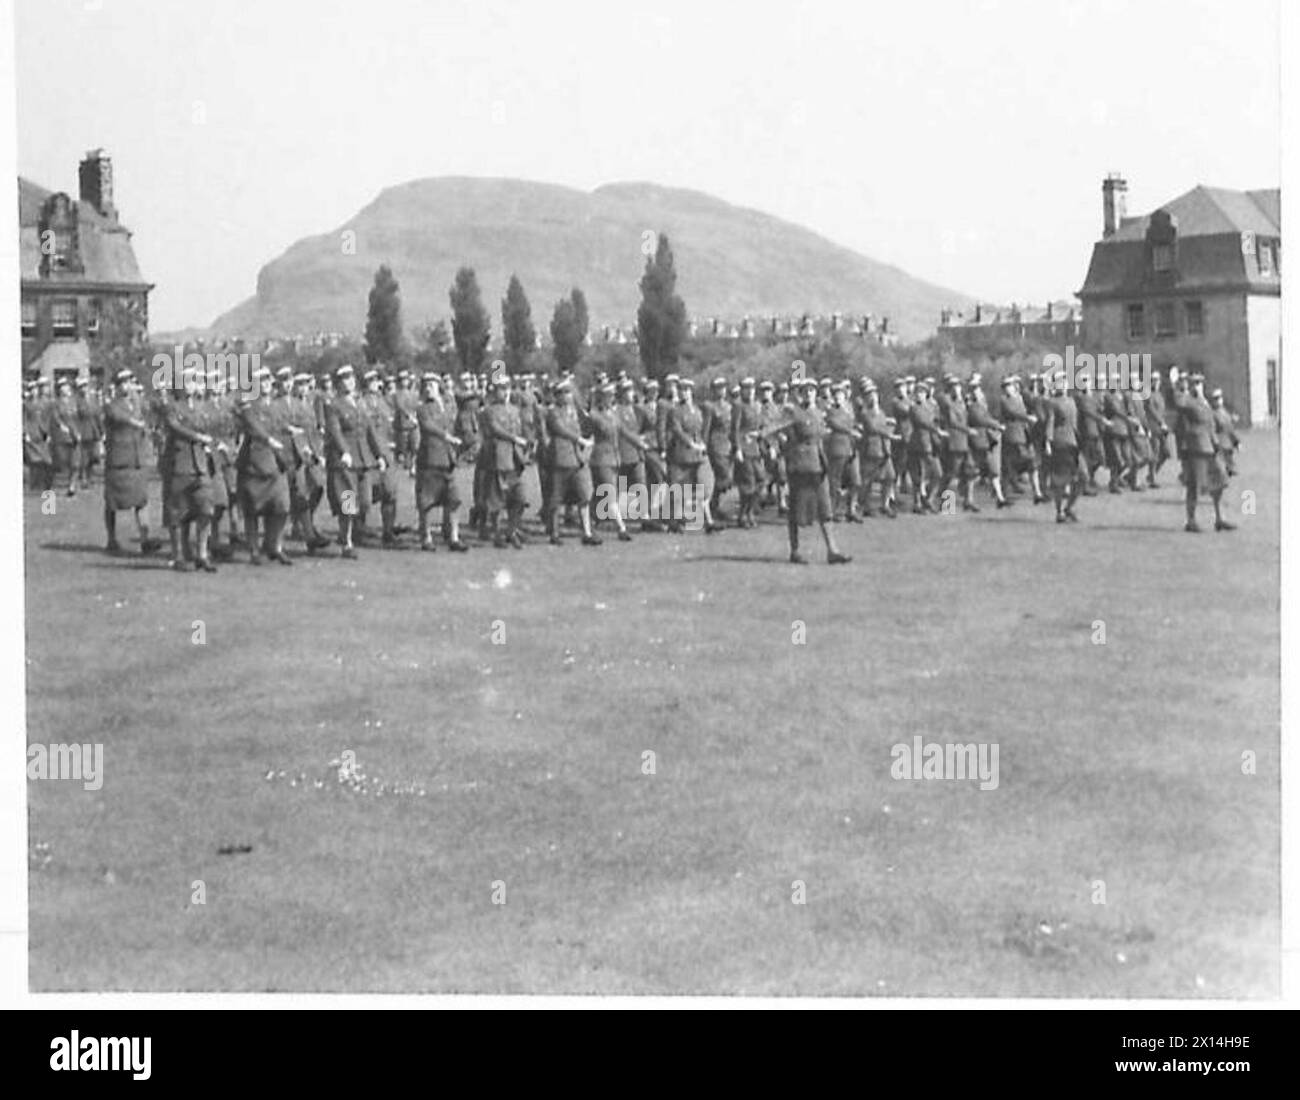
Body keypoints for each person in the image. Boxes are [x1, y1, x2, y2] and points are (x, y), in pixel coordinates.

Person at [761, 377, 851, 565]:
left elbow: (821, 434)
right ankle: (795, 551)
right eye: (805, 390)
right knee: (796, 511)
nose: (809, 393)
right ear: (800, 394)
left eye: (812, 390)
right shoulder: (794, 413)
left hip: (818, 466)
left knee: (825, 509)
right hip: (800, 468)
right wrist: (774, 442)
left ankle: (832, 551)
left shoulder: (819, 412)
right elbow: (773, 428)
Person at [161, 369, 218, 571]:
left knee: (206, 509)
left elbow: (211, 426)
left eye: (195, 381)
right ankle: (178, 556)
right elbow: (174, 426)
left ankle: (202, 554)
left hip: (200, 465)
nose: (192, 385)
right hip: (179, 464)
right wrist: (199, 437)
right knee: (177, 512)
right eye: (188, 381)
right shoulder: (172, 406)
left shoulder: (202, 408)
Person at [235, 366, 293, 565]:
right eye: (262, 381)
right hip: (254, 465)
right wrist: (269, 439)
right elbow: (253, 426)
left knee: (282, 507)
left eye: (269, 380)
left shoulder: (278, 406)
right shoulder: (248, 405)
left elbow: (283, 425)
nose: (266, 384)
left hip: (277, 463)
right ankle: (254, 550)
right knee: (252, 510)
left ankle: (274, 546)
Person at [101, 369, 161, 556]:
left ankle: (145, 539)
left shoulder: (137, 404)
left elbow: (152, 409)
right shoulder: (112, 405)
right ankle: (111, 539)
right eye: (123, 383)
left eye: (130, 382)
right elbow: (118, 417)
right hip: (118, 460)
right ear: (117, 387)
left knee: (142, 500)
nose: (127, 387)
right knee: (112, 504)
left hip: (136, 459)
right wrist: (136, 423)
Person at [324, 364, 379, 559]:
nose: (349, 382)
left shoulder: (360, 403)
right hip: (345, 461)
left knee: (364, 502)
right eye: (344, 379)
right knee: (348, 502)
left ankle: (353, 531)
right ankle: (346, 542)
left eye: (351, 378)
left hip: (363, 458)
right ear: (338, 384)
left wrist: (379, 454)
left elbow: (370, 430)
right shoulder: (333, 405)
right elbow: (335, 431)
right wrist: (344, 452)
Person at [1170, 372, 1233, 533]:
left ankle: (1219, 519)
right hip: (1196, 448)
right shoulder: (1188, 401)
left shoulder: (1205, 402)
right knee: (1195, 485)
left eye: (1199, 383)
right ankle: (1191, 521)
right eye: (1194, 383)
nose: (1197, 386)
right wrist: (1176, 385)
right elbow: (1178, 402)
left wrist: (1217, 444)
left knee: (1220, 481)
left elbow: (1211, 425)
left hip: (1210, 447)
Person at [414, 372, 470, 551]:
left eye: (432, 385)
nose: (429, 389)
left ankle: (453, 537)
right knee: (427, 502)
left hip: (448, 459)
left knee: (454, 500)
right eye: (426, 386)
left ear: (439, 386)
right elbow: (428, 426)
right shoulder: (422, 408)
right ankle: (426, 537)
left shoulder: (448, 405)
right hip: (430, 459)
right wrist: (448, 437)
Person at [543, 377, 601, 546]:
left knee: (584, 495)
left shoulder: (576, 411)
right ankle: (554, 533)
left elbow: (587, 426)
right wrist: (580, 440)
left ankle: (587, 532)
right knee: (556, 498)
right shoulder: (553, 412)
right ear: (557, 396)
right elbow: (560, 429)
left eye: (569, 392)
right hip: (561, 459)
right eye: (564, 393)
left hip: (577, 460)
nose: (568, 396)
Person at [479, 370, 531, 548]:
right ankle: (496, 532)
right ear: (494, 392)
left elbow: (520, 429)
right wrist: (516, 439)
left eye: (507, 388)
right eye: (501, 389)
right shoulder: (488, 411)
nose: (505, 392)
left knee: (520, 499)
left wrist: (525, 444)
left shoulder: (514, 410)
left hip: (515, 460)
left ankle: (511, 530)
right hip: (498, 459)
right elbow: (495, 429)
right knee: (496, 501)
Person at [666, 378, 723, 534]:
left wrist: (702, 444)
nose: (684, 393)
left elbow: (702, 429)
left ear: (691, 392)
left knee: (705, 484)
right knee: (679, 488)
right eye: (681, 390)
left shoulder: (697, 410)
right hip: (682, 453)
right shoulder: (675, 411)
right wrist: (690, 443)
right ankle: (676, 521)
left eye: (687, 390)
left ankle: (708, 520)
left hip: (698, 453)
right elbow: (677, 431)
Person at [1042, 371, 1084, 524]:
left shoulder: (1071, 400)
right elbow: (1050, 422)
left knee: (1083, 477)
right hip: (1060, 443)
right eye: (1060, 381)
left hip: (1074, 443)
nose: (1063, 384)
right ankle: (1059, 511)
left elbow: (1075, 423)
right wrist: (1048, 441)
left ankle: (1069, 507)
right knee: (1061, 479)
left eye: (1065, 381)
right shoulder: (1053, 402)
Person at [998, 375, 1047, 503]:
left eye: (1011, 385)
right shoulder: (1004, 400)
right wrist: (1027, 418)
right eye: (1007, 386)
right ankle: (1003, 495)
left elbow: (1033, 402)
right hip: (1011, 436)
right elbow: (1012, 412)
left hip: (1023, 436)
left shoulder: (1020, 398)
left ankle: (1037, 493)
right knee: (1009, 468)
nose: (1010, 388)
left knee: (1032, 464)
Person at [856, 379, 899, 517]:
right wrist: (889, 433)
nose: (873, 397)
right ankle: (864, 505)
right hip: (872, 449)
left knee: (890, 477)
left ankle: (885, 505)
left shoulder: (881, 412)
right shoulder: (865, 413)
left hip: (884, 448)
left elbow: (883, 425)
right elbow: (872, 427)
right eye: (870, 395)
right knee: (867, 480)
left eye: (875, 394)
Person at [824, 381, 863, 521]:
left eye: (841, 395)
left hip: (850, 449)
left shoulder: (849, 410)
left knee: (855, 481)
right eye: (836, 395)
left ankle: (851, 510)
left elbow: (851, 424)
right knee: (834, 482)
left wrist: (856, 429)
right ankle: (832, 511)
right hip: (837, 449)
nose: (838, 398)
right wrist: (851, 431)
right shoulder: (830, 411)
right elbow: (836, 424)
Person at [730, 377, 766, 528]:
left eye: (752, 389)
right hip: (744, 449)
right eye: (746, 389)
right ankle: (744, 515)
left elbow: (763, 426)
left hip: (756, 448)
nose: (750, 392)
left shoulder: (757, 406)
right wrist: (737, 448)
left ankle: (749, 510)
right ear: (742, 391)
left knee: (761, 480)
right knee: (748, 483)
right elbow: (735, 430)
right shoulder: (739, 406)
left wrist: (761, 437)